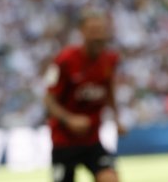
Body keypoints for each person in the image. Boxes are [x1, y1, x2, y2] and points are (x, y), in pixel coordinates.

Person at [43, 10, 126, 182]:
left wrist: (117, 118)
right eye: (93, 31)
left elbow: (109, 88)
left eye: (101, 30)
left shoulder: (110, 59)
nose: (98, 36)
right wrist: (70, 119)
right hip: (63, 141)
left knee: (110, 178)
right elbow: (48, 99)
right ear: (82, 32)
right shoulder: (64, 60)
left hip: (92, 139)